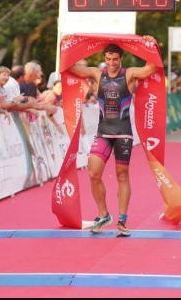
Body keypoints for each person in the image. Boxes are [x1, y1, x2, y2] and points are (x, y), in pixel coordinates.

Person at [66, 37, 158, 237]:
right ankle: (103, 214)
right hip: (103, 132)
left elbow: (152, 67)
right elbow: (70, 66)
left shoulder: (130, 74)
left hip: (123, 133)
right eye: (108, 59)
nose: (111, 63)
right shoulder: (97, 74)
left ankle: (122, 221)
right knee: (93, 173)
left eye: (115, 59)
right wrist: (66, 45)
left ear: (121, 58)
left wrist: (151, 45)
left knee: (122, 175)